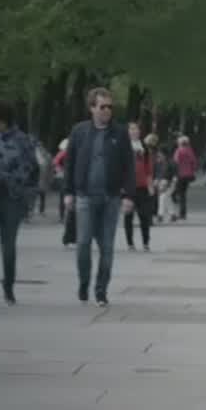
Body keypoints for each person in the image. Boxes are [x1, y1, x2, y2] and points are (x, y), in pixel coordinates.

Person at [63, 88, 136, 306]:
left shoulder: (119, 133)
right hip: (85, 196)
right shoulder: (79, 131)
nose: (107, 111)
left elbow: (129, 166)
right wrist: (68, 192)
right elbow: (69, 163)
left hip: (110, 197)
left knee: (107, 246)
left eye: (110, 107)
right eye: (102, 107)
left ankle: (101, 290)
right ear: (92, 108)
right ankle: (84, 282)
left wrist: (128, 195)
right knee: (83, 243)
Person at [0, 100, 39, 306]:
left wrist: (28, 197)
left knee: (8, 246)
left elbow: (31, 169)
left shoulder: (22, 140)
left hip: (12, 198)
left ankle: (8, 285)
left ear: (1, 118)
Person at [123, 124, 155, 252]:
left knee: (144, 216)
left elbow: (149, 169)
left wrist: (150, 185)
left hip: (142, 187)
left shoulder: (145, 148)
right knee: (128, 216)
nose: (134, 131)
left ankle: (146, 242)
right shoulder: (123, 147)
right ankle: (130, 243)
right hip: (128, 187)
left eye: (136, 129)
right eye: (131, 129)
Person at [172, 136, 197, 221]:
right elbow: (194, 162)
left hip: (180, 175)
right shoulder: (190, 150)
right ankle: (183, 213)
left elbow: (175, 162)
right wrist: (192, 170)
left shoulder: (178, 151)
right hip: (188, 175)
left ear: (179, 143)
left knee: (178, 193)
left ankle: (181, 213)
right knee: (183, 194)